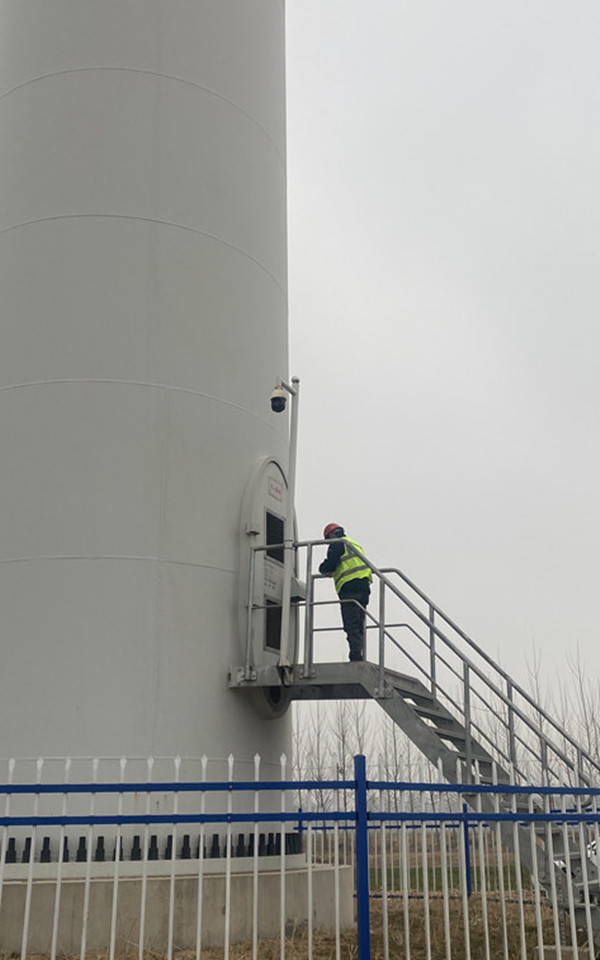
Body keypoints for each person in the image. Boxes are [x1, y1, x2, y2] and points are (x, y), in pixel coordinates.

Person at [318, 523, 372, 662]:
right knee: (359, 623)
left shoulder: (338, 544)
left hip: (350, 587)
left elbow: (330, 564)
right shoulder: (353, 544)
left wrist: (324, 569)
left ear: (331, 535)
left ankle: (355, 657)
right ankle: (359, 654)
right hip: (364, 587)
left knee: (351, 624)